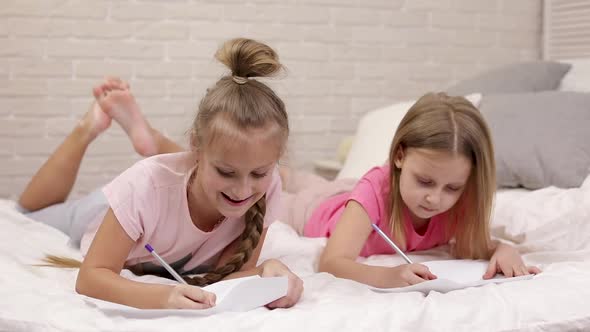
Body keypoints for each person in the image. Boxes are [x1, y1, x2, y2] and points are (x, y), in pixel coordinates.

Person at [18, 38, 303, 309]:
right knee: (26, 212)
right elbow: (91, 277)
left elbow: (226, 280)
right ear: (195, 147)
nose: (242, 191)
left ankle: (152, 140)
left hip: (167, 196)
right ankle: (88, 127)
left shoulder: (268, 187)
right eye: (226, 172)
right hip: (107, 212)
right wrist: (162, 297)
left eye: (259, 173)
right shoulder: (142, 187)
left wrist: (268, 274)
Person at [280, 92, 541, 289]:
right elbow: (332, 262)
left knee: (321, 183)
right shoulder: (374, 190)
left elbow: (478, 246)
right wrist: (389, 276)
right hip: (317, 209)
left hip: (349, 193)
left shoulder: (460, 201)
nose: (435, 198)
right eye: (425, 181)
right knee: (281, 185)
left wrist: (504, 250)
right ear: (399, 156)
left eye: (452, 187)